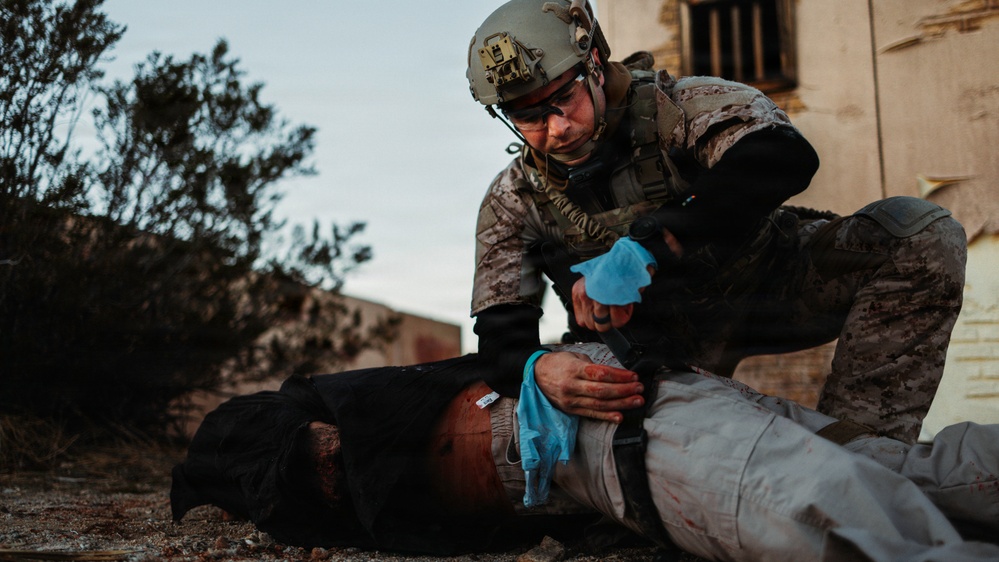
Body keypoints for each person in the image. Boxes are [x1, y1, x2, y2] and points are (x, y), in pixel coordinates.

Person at [467, 0, 967, 443]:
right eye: (526, 116)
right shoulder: (514, 197)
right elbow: (500, 335)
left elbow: (782, 157)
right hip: (654, 347)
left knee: (918, 233)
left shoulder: (680, 107)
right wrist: (538, 368)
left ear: (594, 63)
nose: (556, 129)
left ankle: (863, 452)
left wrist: (654, 241)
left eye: (563, 100)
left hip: (771, 285)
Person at [171, 343, 999, 561]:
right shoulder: (339, 421)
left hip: (610, 433)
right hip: (650, 410)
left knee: (849, 532)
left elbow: (304, 458)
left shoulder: (300, 427)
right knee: (911, 473)